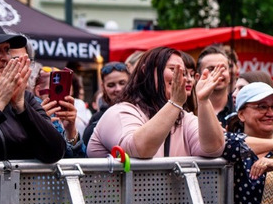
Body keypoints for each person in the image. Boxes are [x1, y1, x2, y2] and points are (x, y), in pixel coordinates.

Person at [86, 46, 226, 159]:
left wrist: (204, 101)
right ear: (145, 71)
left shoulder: (183, 117)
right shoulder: (119, 112)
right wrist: (175, 102)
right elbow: (140, 149)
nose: (182, 78)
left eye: (183, 73)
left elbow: (213, 149)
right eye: (173, 69)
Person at [0, 19, 65, 163]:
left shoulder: (24, 98)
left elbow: (54, 152)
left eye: (7, 50)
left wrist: (22, 108)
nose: (5, 57)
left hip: (21, 186)